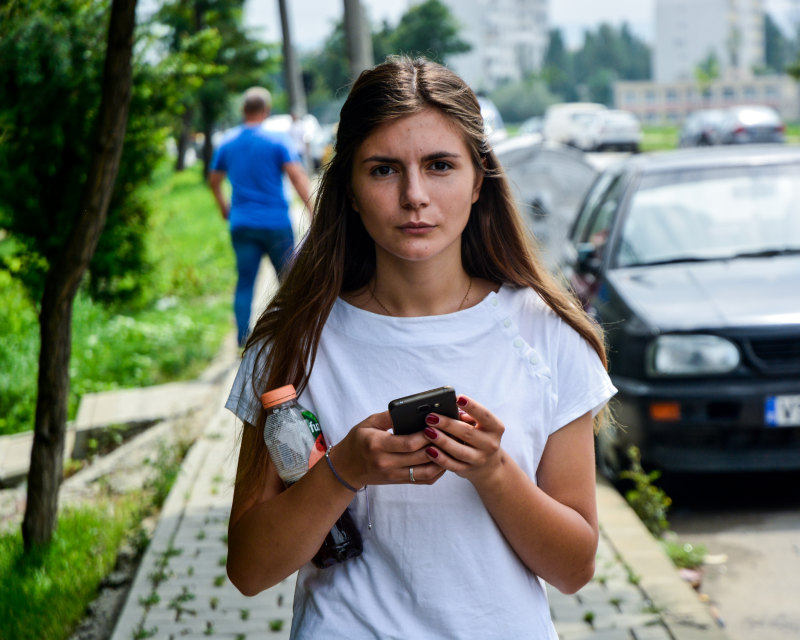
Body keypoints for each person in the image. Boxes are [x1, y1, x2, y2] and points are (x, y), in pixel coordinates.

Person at [224, 56, 616, 639]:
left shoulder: (548, 334)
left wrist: (493, 472)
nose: (414, 196)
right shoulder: (292, 343)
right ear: (350, 189)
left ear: (479, 179)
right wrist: (343, 471)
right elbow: (250, 571)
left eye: (439, 166)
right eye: (383, 169)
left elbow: (574, 569)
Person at [209, 87, 313, 347]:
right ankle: (293, 335)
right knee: (288, 281)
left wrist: (223, 206)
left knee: (245, 281)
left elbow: (214, 179)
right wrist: (312, 209)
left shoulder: (228, 142)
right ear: (265, 111)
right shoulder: (277, 140)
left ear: (243, 110)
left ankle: (243, 340)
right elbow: (297, 176)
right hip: (275, 223)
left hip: (241, 223)